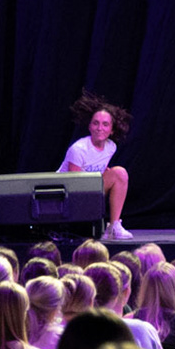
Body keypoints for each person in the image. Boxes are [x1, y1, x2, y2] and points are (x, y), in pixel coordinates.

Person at [58, 92, 136, 240]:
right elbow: (73, 184)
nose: (100, 128)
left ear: (112, 130)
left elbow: (99, 168)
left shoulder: (111, 147)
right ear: (89, 126)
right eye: (96, 123)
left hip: (90, 189)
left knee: (120, 173)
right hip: (67, 195)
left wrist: (105, 174)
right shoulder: (79, 149)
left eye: (105, 124)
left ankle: (114, 226)